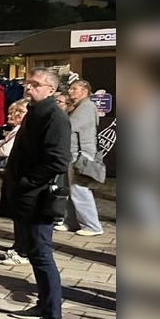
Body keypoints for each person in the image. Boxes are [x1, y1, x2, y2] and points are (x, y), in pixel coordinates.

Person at [0, 69, 71, 319]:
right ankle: (43, 305)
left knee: (42, 255)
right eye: (27, 83)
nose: (28, 88)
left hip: (39, 198)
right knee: (34, 252)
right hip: (26, 196)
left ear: (50, 90)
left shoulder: (55, 117)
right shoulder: (34, 112)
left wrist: (28, 182)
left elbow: (57, 160)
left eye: (35, 84)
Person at [64, 79, 105, 235]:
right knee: (71, 189)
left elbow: (70, 125)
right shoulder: (78, 106)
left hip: (80, 153)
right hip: (74, 152)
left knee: (79, 189)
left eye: (74, 89)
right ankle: (71, 222)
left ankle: (92, 225)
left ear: (85, 91)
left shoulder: (86, 107)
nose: (70, 91)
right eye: (70, 89)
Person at [0, 100, 31, 264]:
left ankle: (23, 252)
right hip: (14, 175)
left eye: (20, 112)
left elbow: (3, 149)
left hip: (22, 177)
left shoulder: (23, 131)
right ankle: (18, 247)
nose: (15, 115)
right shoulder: (17, 130)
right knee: (17, 216)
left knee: (23, 217)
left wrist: (1, 145)